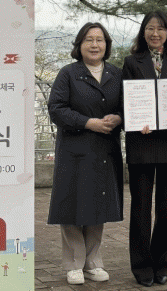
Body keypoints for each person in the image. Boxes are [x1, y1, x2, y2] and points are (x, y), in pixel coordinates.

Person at [47, 22, 123, 286]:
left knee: (97, 204)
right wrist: (88, 122)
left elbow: (128, 106)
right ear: (79, 45)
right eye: (89, 39)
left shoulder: (116, 74)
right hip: (74, 149)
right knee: (72, 204)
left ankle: (93, 262)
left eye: (100, 40)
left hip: (104, 150)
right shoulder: (68, 73)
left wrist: (119, 118)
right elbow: (56, 108)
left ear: (106, 45)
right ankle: (73, 263)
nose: (94, 45)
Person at [122, 11, 167, 287]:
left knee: (166, 209)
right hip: (142, 141)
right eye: (150, 28)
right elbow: (125, 100)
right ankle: (141, 267)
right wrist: (135, 120)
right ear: (143, 32)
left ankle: (161, 265)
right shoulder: (131, 62)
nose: (155, 33)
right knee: (140, 208)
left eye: (161, 29)